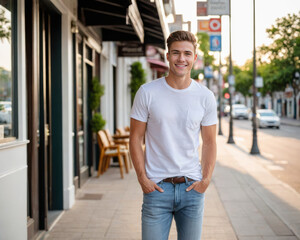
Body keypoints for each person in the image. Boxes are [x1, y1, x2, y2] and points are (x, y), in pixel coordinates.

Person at [129, 30, 217, 240]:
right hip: (157, 189)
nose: (181, 58)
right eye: (176, 53)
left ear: (194, 58)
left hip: (191, 189)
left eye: (187, 53)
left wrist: (205, 180)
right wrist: (143, 179)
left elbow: (210, 142)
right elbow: (135, 138)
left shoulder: (205, 96)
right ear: (167, 56)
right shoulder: (147, 92)